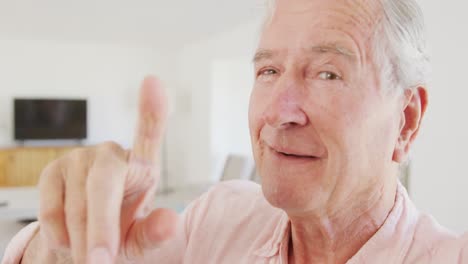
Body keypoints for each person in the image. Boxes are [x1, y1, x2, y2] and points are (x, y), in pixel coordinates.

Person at [3, 0, 468, 263]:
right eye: (267, 71)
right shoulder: (218, 218)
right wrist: (65, 248)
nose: (279, 112)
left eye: (327, 73)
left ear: (406, 120)